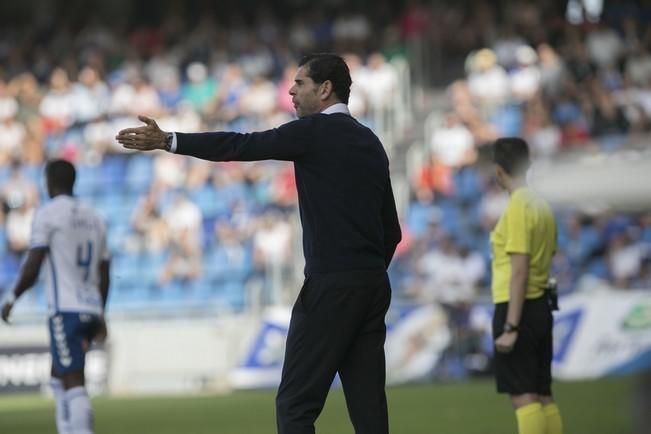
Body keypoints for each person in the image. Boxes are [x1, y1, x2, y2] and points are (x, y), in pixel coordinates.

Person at [116, 53, 402, 434]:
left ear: (325, 89)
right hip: (372, 284)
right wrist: (364, 273)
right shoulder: (372, 142)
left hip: (331, 283)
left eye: (300, 83)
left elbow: (241, 145)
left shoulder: (313, 131)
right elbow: (392, 231)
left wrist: (170, 140)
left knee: (295, 406)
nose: (291, 91)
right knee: (370, 413)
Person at [1, 159, 111, 434]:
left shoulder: (48, 214)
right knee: (58, 373)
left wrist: (12, 297)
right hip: (91, 308)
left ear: (49, 181)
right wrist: (101, 312)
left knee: (74, 381)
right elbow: (105, 270)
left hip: (66, 309)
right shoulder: (94, 217)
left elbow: (34, 262)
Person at [490, 137, 562, 434]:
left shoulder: (518, 205)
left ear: (498, 171)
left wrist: (510, 326)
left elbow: (519, 269)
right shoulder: (542, 204)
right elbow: (549, 256)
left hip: (517, 308)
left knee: (524, 396)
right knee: (543, 395)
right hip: (541, 304)